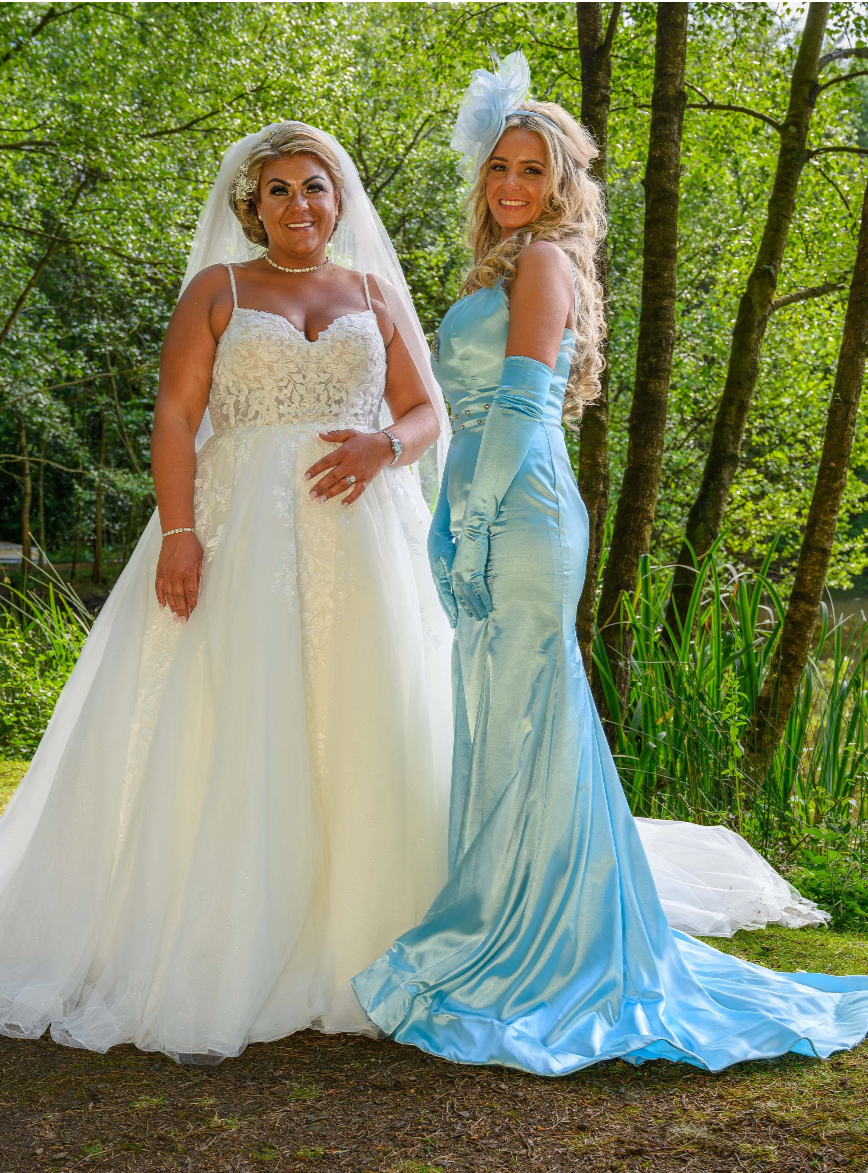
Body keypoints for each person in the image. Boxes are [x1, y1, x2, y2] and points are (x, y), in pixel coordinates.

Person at [352, 53, 868, 1075]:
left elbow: (530, 403)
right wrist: (447, 519)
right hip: (487, 493)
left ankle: (541, 942)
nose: (510, 186)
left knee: (531, 713)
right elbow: (460, 416)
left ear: (562, 188)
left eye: (532, 171)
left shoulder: (544, 265)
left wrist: (480, 521)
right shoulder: (496, 267)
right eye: (500, 167)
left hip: (528, 506)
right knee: (504, 716)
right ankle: (511, 917)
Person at [0, 122, 453, 1064]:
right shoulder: (218, 289)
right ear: (251, 205)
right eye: (280, 190)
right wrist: (178, 531)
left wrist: (385, 444)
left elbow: (426, 410)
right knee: (234, 713)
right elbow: (174, 410)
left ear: (341, 201)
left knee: (366, 716)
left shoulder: (374, 294)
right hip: (237, 527)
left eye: (316, 188)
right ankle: (219, 928)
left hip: (362, 533)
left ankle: (363, 929)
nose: (300, 205)